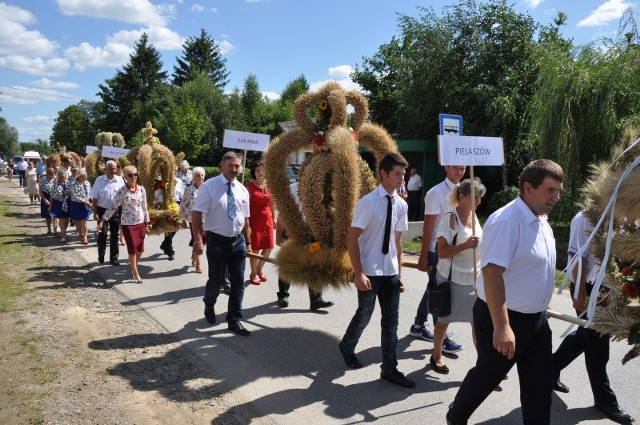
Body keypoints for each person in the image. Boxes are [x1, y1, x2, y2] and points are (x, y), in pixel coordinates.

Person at [446, 159, 564, 425]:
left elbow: (532, 268)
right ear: (528, 188)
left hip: (536, 321)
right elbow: (491, 273)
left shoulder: (541, 221)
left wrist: (540, 301)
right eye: (550, 190)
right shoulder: (507, 220)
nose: (556, 197)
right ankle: (457, 415)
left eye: (559, 191)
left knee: (539, 386)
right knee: (489, 375)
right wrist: (502, 326)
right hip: (503, 317)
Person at [338, 152, 415, 389]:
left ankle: (389, 369)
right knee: (365, 315)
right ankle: (347, 346)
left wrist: (399, 274)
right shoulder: (368, 203)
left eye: (403, 174)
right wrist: (358, 273)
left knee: (391, 323)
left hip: (390, 273)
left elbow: (398, 242)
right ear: (383, 174)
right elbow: (352, 240)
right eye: (397, 174)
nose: (402, 178)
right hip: (369, 271)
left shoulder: (401, 205)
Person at [551, 211, 634, 424]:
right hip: (590, 289)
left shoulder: (625, 216)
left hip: (611, 289)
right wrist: (579, 292)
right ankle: (606, 401)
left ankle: (550, 368)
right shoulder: (585, 217)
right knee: (597, 345)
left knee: (585, 336)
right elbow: (576, 255)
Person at [191, 151, 252, 336]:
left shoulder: (242, 189)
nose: (235, 169)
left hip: (238, 242)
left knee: (238, 283)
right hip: (217, 242)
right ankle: (209, 303)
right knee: (216, 282)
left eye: (237, 166)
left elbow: (246, 218)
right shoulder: (209, 187)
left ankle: (234, 320)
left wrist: (248, 242)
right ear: (222, 166)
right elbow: (196, 213)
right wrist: (198, 239)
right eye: (231, 166)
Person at [430, 179, 485, 374]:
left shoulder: (474, 215)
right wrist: (465, 245)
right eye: (475, 197)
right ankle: (436, 355)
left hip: (473, 279)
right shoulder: (450, 218)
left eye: (480, 197)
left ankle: (484, 365)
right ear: (462, 197)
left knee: (477, 322)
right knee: (445, 319)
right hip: (451, 278)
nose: (479, 201)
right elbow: (442, 252)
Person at [411, 165, 465, 353]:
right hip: (437, 250)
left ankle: (418, 325)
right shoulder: (436, 193)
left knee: (433, 288)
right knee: (441, 292)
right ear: (446, 167)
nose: (459, 171)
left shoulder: (464, 191)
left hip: (453, 250)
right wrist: (424, 255)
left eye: (463, 168)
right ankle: (440, 339)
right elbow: (429, 227)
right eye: (456, 168)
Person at [275, 182, 334, 310]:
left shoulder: (319, 187)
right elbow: (282, 212)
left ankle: (316, 299)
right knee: (288, 262)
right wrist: (278, 235)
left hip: (312, 232)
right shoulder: (292, 188)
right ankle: (283, 295)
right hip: (292, 230)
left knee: (315, 265)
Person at [98, 166, 149, 283]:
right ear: (125, 177)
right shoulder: (121, 191)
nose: (133, 177)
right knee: (132, 249)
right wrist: (103, 220)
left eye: (135, 174)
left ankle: (133, 266)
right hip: (127, 224)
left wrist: (147, 223)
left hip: (140, 222)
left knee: (140, 250)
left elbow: (145, 207)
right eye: (130, 175)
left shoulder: (142, 190)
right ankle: (135, 273)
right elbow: (113, 207)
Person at [90, 160, 125, 265]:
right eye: (111, 169)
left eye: (115, 168)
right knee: (103, 235)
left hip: (115, 211)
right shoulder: (100, 180)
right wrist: (95, 212)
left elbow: (124, 197)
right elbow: (95, 197)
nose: (113, 171)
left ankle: (114, 258)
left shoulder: (120, 180)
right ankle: (101, 255)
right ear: (106, 169)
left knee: (114, 235)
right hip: (102, 210)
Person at [246, 160, 275, 285]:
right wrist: (247, 224)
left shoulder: (269, 186)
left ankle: (259, 269)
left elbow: (272, 203)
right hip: (254, 222)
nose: (261, 172)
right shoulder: (250, 187)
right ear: (254, 172)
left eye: (263, 170)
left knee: (269, 246)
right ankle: (253, 273)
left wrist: (274, 218)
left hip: (268, 221)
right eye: (258, 170)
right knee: (255, 249)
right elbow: (245, 206)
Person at [180, 167, 206, 273]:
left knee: (203, 239)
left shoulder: (206, 188)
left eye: (202, 175)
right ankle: (198, 264)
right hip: (193, 219)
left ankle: (194, 253)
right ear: (194, 178)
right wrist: (183, 219)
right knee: (197, 238)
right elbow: (183, 204)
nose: (200, 177)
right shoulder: (189, 189)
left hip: (206, 219)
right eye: (198, 175)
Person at [157, 174, 185, 261]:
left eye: (175, 171)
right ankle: (170, 251)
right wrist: (159, 203)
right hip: (165, 205)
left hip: (176, 205)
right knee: (168, 229)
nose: (174, 172)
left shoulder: (179, 181)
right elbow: (157, 193)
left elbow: (182, 194)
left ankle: (165, 244)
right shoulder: (162, 181)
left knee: (175, 228)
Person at [68, 169, 92, 245]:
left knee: (85, 220)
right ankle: (80, 233)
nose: (84, 177)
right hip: (76, 204)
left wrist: (91, 200)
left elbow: (90, 193)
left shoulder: (87, 183)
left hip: (86, 205)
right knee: (78, 221)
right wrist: (86, 202)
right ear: (78, 176)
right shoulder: (73, 184)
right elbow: (76, 195)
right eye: (82, 176)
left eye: (85, 176)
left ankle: (85, 237)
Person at [48, 167, 70, 243]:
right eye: (60, 177)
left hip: (68, 203)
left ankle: (63, 231)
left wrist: (68, 193)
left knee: (67, 220)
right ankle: (63, 235)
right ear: (58, 177)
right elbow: (52, 196)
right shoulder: (55, 185)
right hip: (58, 204)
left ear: (66, 176)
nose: (62, 178)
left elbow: (73, 193)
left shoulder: (69, 183)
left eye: (63, 177)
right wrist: (50, 206)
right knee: (61, 219)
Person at [39, 167, 57, 235]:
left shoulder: (56, 179)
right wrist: (45, 199)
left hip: (55, 198)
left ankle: (55, 230)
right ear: (47, 173)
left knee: (55, 214)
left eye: (52, 173)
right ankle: (49, 228)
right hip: (46, 197)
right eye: (49, 173)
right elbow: (40, 191)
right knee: (48, 215)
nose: (51, 174)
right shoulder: (43, 180)